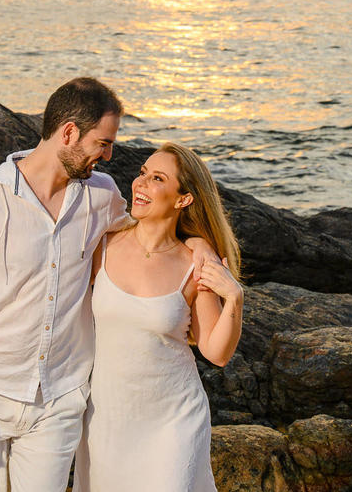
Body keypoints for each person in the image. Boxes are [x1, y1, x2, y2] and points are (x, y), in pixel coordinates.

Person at [0, 78, 218, 491]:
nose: (109, 154)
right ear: (68, 133)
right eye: (103, 142)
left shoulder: (101, 195)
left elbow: (150, 230)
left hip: (60, 398)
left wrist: (199, 243)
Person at [84, 141, 243, 492]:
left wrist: (234, 298)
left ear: (182, 199)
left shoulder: (196, 264)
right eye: (142, 173)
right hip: (107, 418)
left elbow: (216, 352)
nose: (140, 184)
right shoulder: (102, 244)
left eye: (157, 178)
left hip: (174, 419)